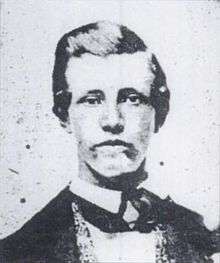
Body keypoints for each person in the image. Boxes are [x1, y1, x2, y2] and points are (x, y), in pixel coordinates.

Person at [0, 21, 219, 263]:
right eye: (92, 100)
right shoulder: (17, 252)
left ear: (159, 114)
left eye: (132, 99)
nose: (113, 120)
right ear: (64, 116)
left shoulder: (206, 240)